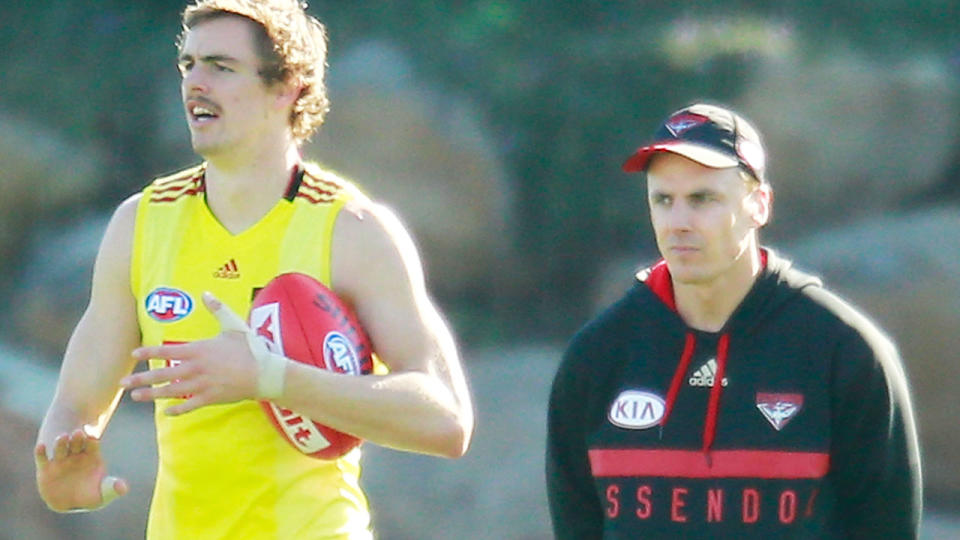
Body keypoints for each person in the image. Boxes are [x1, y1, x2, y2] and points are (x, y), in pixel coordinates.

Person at [34, 1, 474, 538]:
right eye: (188, 65)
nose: (195, 83)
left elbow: (446, 420)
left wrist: (270, 378)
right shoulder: (140, 224)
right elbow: (77, 406)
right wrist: (63, 461)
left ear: (287, 88)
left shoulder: (353, 230)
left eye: (221, 67)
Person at [545, 102, 921, 539]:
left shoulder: (846, 353)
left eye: (702, 199)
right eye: (663, 200)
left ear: (759, 204)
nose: (678, 222)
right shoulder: (598, 357)